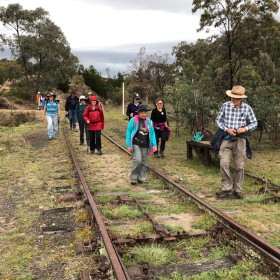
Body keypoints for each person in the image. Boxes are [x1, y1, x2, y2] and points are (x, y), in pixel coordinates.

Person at [215, 85, 257, 199]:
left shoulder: (247, 108)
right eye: (232, 97)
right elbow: (218, 120)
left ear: (241, 98)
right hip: (226, 138)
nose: (233, 99)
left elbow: (254, 123)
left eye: (236, 98)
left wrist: (245, 129)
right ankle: (226, 188)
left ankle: (237, 189)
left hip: (240, 140)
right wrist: (226, 129)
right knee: (224, 163)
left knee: (239, 166)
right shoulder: (225, 106)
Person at [126, 104, 157, 185]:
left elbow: (152, 133)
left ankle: (141, 177)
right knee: (138, 159)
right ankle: (133, 177)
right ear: (138, 113)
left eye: (145, 113)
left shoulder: (149, 121)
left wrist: (154, 145)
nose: (144, 114)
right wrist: (128, 145)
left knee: (143, 161)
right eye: (142, 113)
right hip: (135, 143)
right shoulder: (133, 120)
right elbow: (128, 132)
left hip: (145, 144)